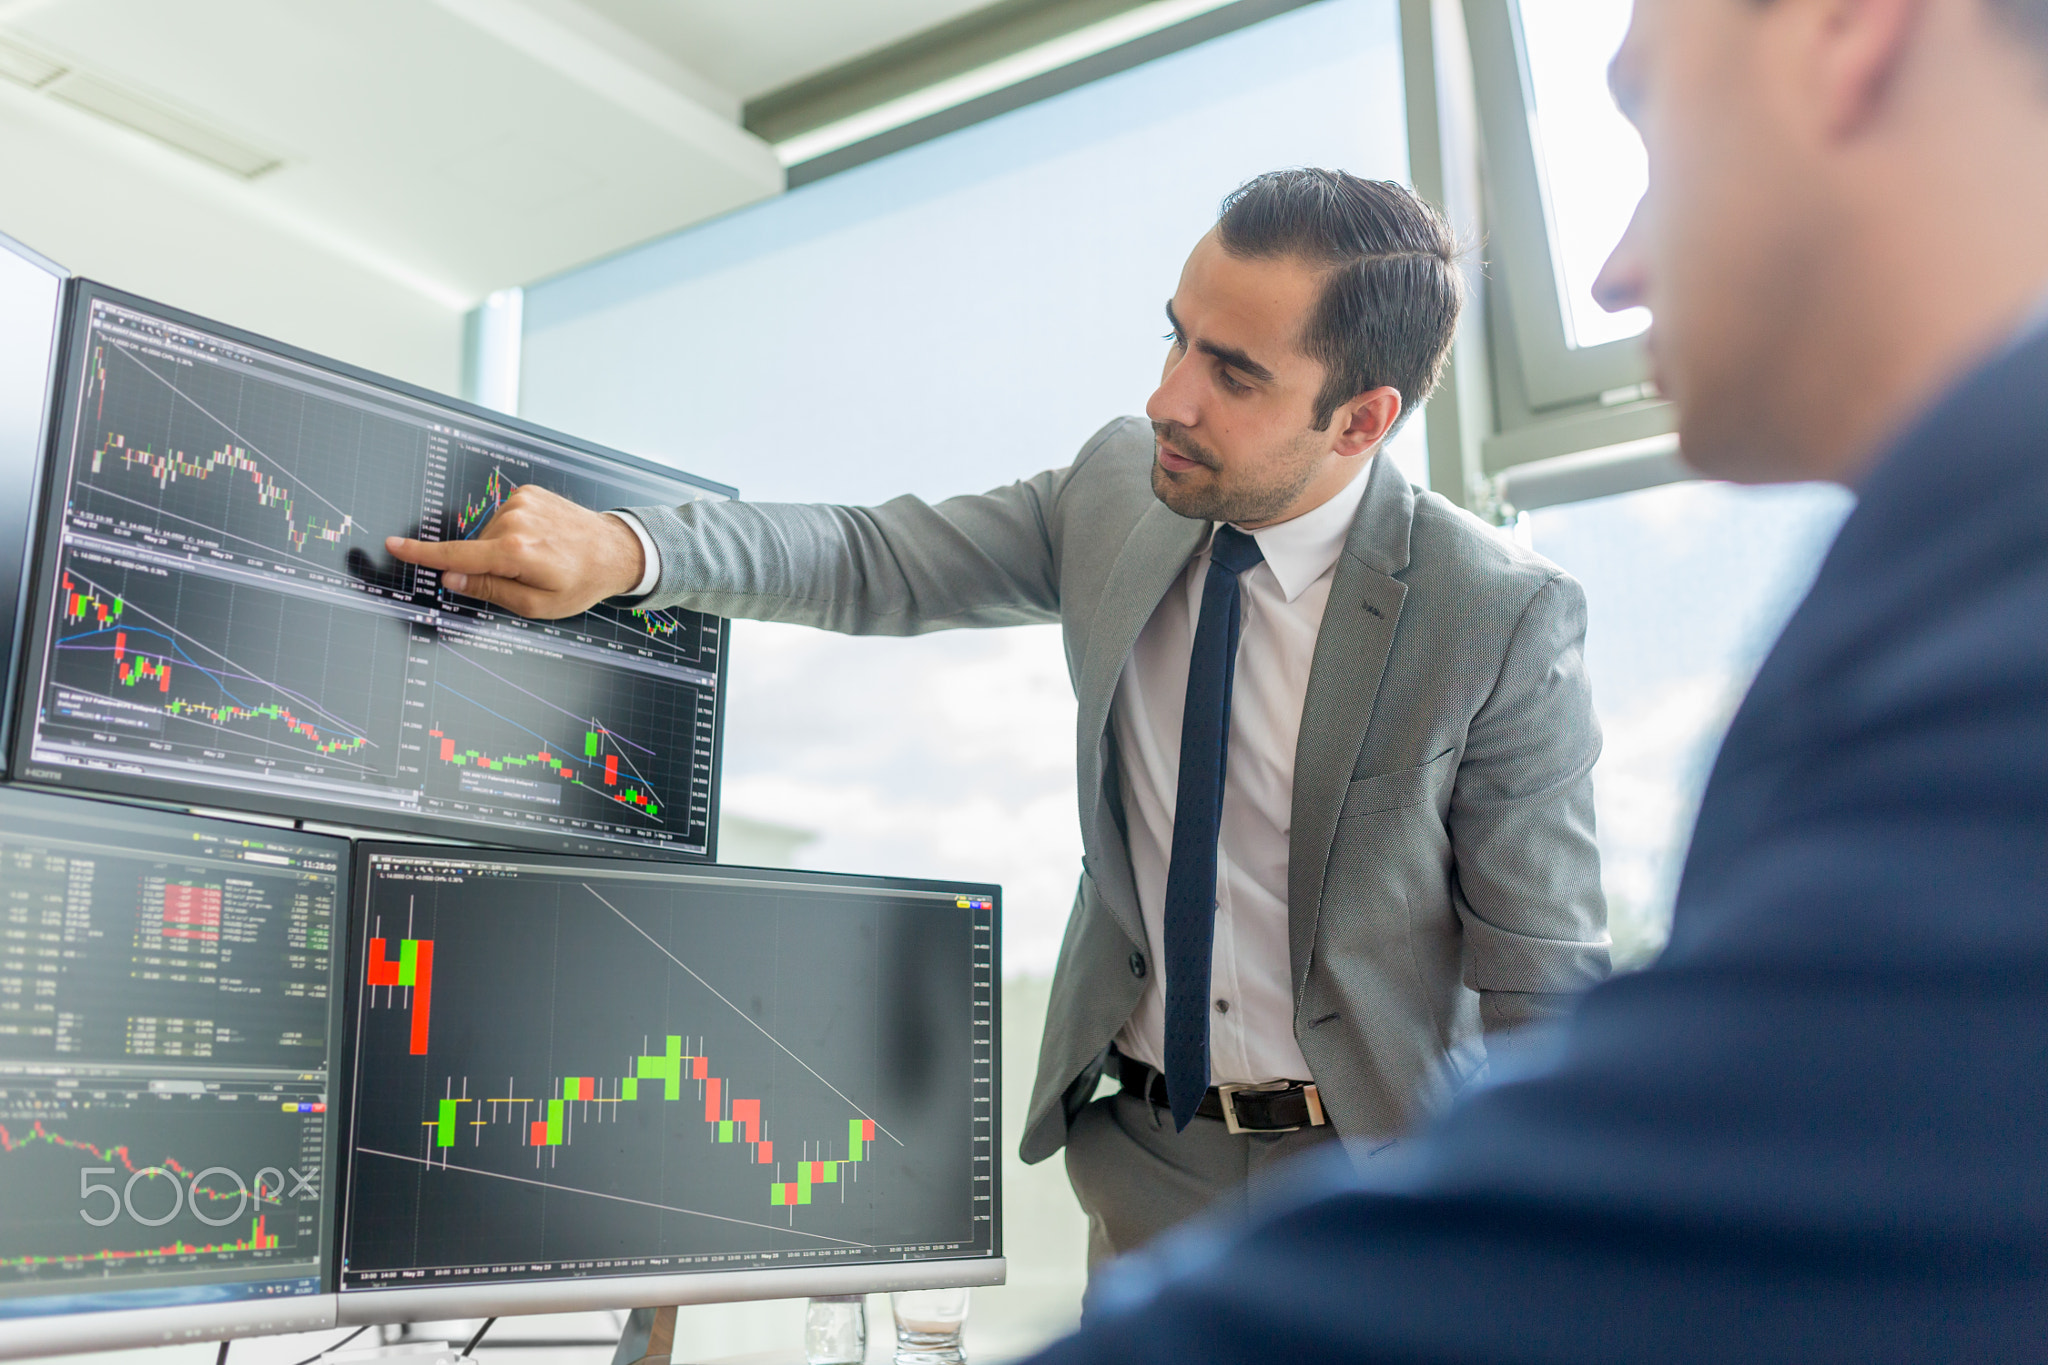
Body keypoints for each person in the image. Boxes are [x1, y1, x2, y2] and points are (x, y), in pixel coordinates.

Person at [990, 0, 2046, 1357]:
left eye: (1651, 134)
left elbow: (1695, 1180)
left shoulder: (1993, 589)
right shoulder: (1945, 557)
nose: (1613, 272)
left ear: (1849, 34)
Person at [386, 170, 1610, 1266]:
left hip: (1380, 1171)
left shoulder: (1493, 613)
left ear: (1360, 420)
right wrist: (628, 548)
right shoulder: (1118, 490)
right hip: (1148, 1156)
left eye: (1232, 374)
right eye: (1177, 338)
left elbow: (1537, 978)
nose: (1167, 398)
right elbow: (871, 556)